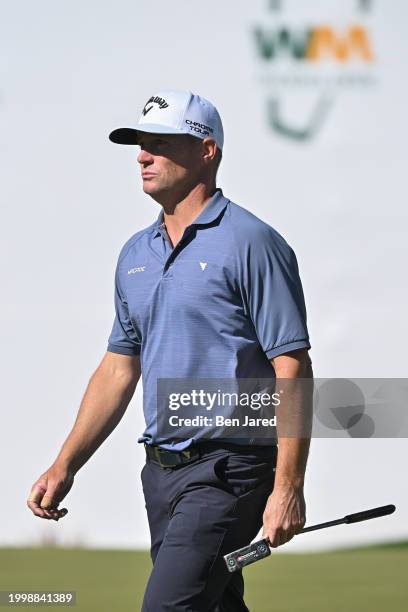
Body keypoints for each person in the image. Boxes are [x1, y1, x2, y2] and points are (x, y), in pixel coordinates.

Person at [27, 90, 313, 611]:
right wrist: (65, 464)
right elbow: (119, 367)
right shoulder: (135, 254)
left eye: (160, 143)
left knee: (168, 607)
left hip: (230, 470)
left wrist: (287, 486)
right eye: (140, 144)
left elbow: (292, 365)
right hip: (159, 474)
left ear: (207, 150)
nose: (142, 155)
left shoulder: (253, 242)